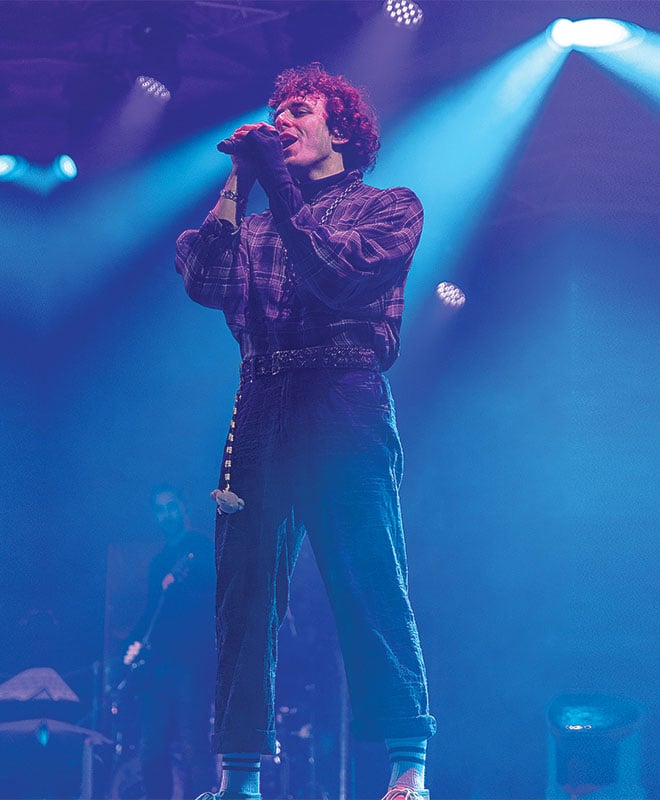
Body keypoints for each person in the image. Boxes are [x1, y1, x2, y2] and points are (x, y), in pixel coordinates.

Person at [174, 64, 435, 800]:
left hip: (342, 394)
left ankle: (408, 766)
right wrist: (240, 179)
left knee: (367, 574)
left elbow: (334, 272)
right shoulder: (255, 226)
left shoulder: (388, 208)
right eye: (276, 111)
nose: (281, 120)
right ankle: (240, 779)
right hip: (262, 399)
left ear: (341, 129)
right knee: (244, 589)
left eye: (299, 109)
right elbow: (202, 279)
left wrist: (279, 189)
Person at [121, 485, 216, 799]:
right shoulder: (159, 561)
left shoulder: (201, 547)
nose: (166, 515)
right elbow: (151, 611)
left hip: (192, 663)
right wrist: (130, 645)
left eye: (171, 507)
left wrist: (183, 582)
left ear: (183, 507)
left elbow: (214, 592)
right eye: (160, 510)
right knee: (151, 749)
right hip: (157, 667)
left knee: (193, 746)